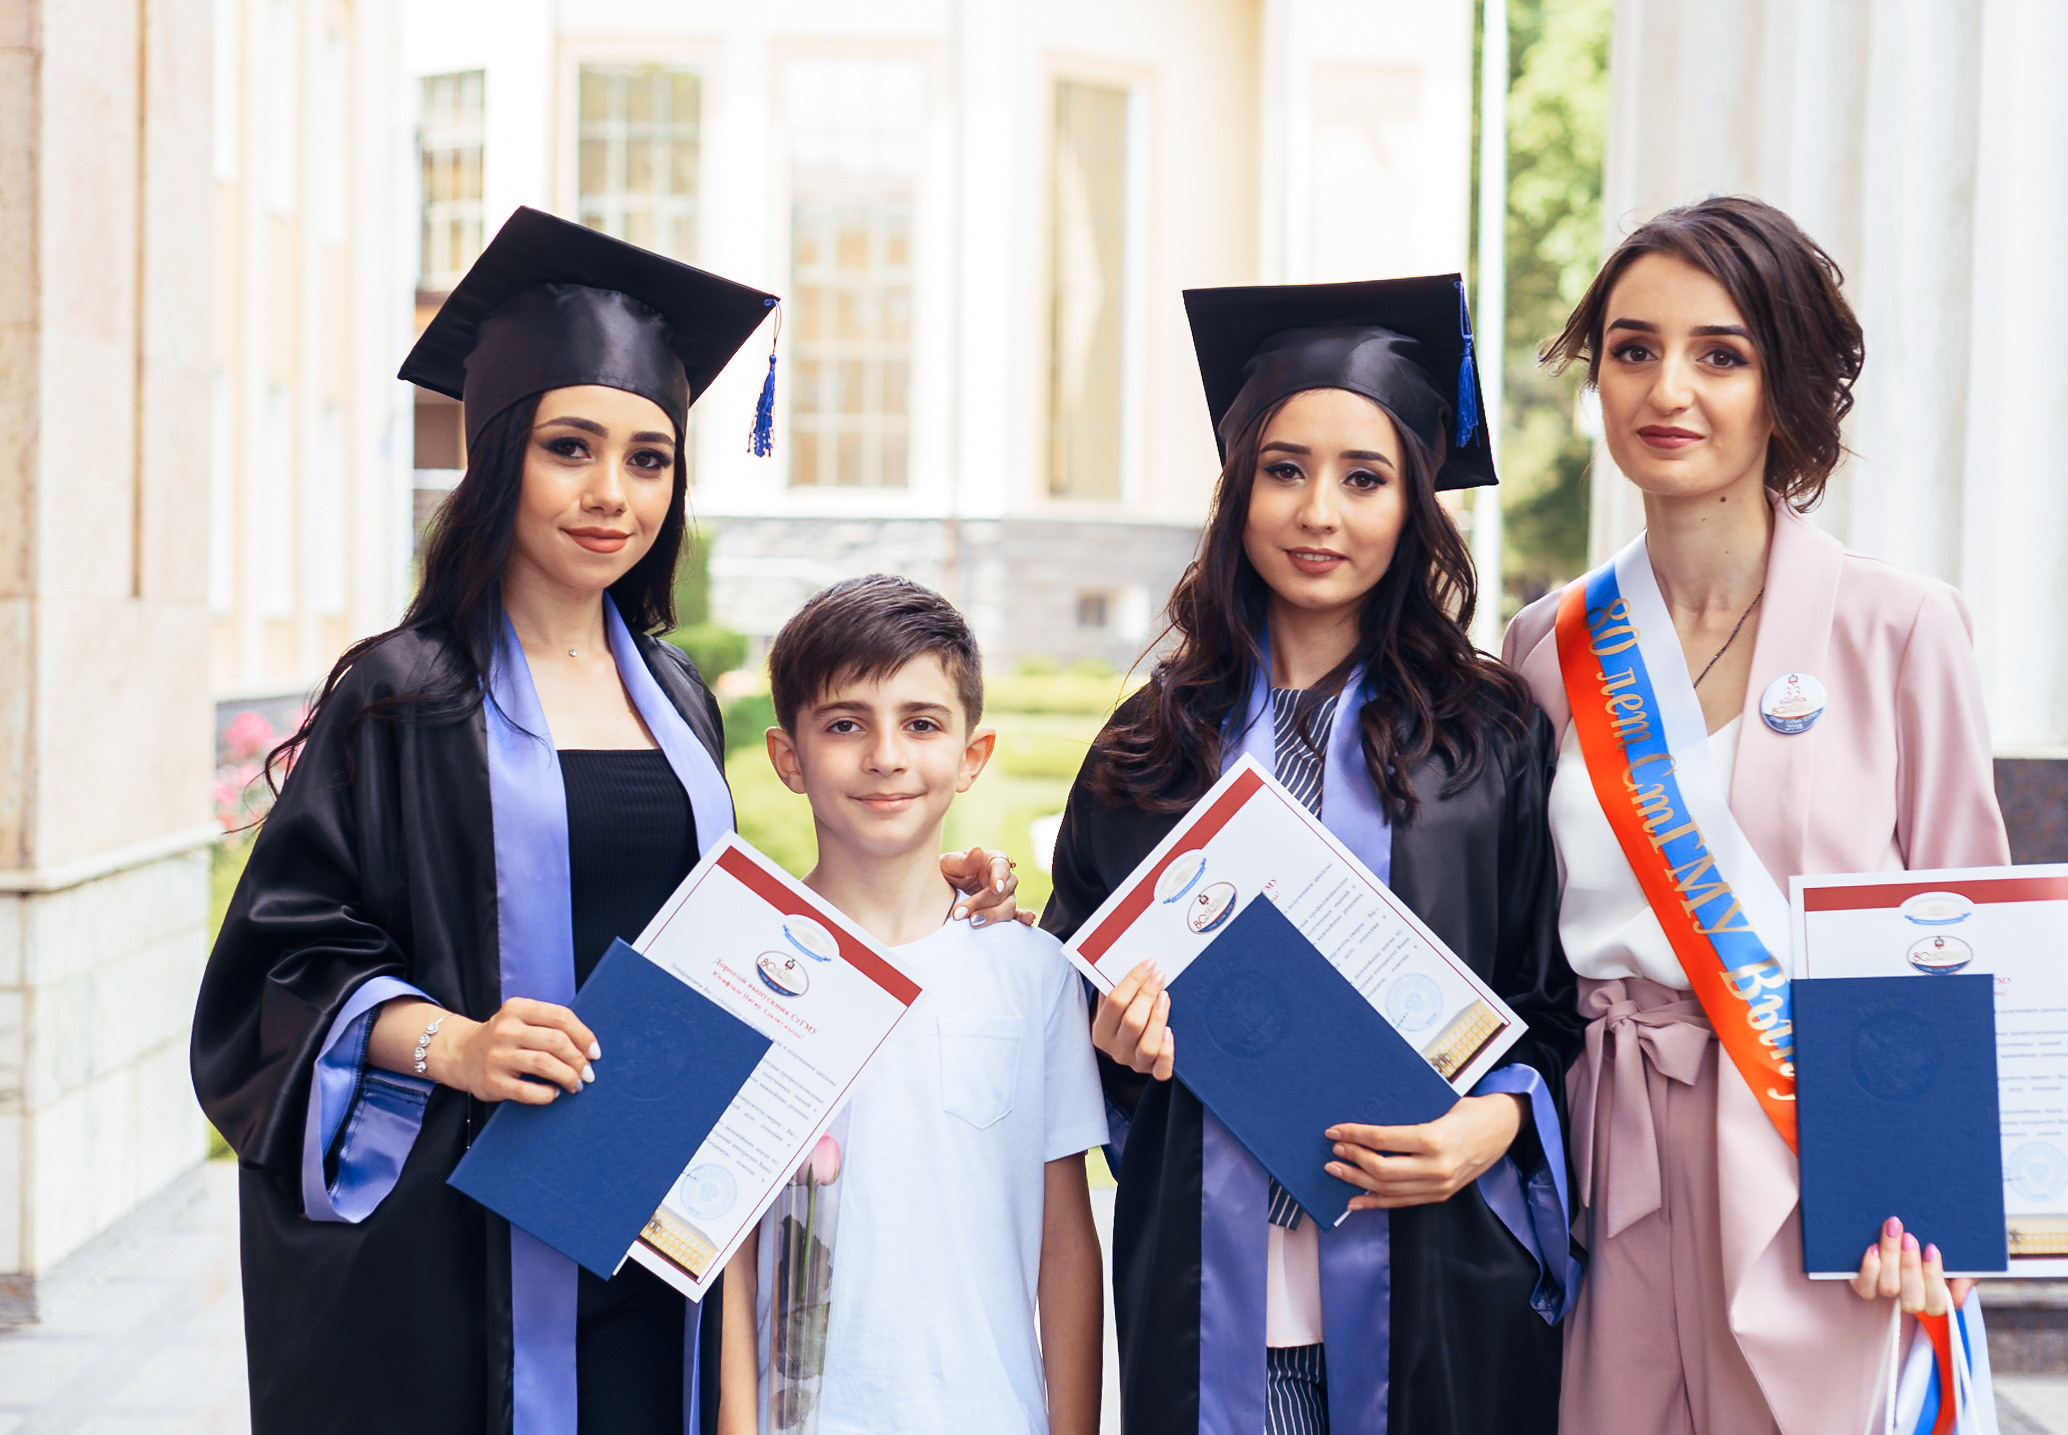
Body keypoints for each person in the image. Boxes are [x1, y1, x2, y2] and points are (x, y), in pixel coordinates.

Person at [190, 208, 1024, 1435]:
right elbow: (278, 965)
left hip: (648, 1211)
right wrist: (454, 1044)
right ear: (498, 456)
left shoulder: (676, 694)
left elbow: (705, 916)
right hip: (456, 1241)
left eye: (648, 457)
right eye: (570, 447)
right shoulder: (408, 693)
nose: (610, 493)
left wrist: (926, 883)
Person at [1043, 277, 1586, 1435]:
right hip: (1206, 1299)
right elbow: (1069, 1009)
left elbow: (1553, 1005)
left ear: (1412, 505)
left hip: (1438, 1287)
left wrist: (1490, 1123)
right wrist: (1113, 1039)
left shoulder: (1487, 738)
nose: (1319, 514)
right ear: (1239, 491)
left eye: (1364, 478)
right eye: (1284, 470)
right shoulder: (1148, 750)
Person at [1503, 194, 2006, 1434]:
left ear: (1782, 386)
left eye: (1718, 353)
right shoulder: (1542, 648)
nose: (1667, 386)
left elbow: (1963, 929)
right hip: (1608, 1162)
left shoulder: (1899, 626)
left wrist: (1926, 1198)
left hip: (1824, 1168)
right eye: (1633, 349)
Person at [714, 575, 1109, 1435]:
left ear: (973, 755)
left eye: (922, 723)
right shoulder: (745, 968)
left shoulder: (1035, 973)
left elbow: (1065, 1243)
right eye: (845, 723)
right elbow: (727, 1241)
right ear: (788, 756)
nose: (885, 754)